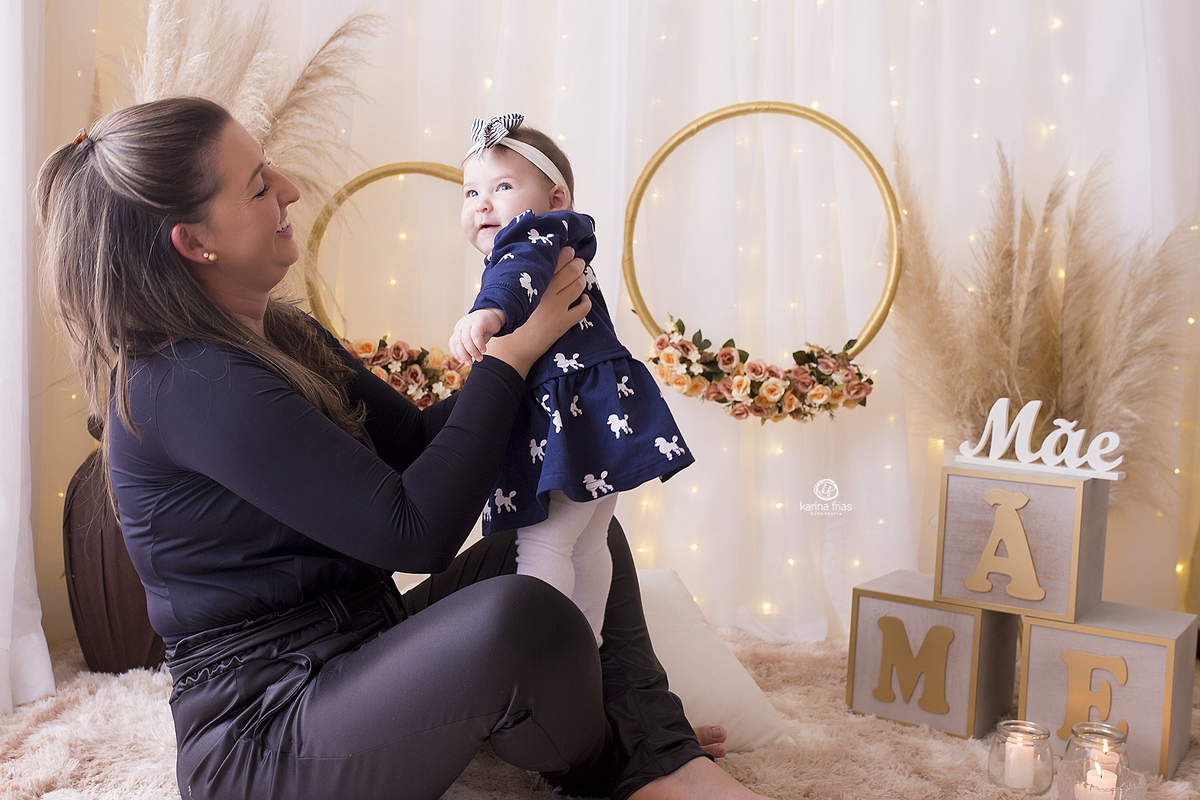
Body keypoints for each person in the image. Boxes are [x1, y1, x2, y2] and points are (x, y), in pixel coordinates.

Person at [36, 96, 772, 800]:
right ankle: (624, 762)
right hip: (265, 736)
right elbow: (415, 532)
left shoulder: (283, 334)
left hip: (363, 648)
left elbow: (420, 444)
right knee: (518, 613)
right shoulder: (186, 382)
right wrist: (510, 360)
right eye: (260, 185)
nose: (290, 189)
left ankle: (657, 754)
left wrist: (556, 362)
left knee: (578, 523)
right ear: (195, 242)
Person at [453, 114, 694, 645]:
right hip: (594, 409)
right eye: (471, 192)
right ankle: (585, 641)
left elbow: (518, 277)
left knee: (542, 544)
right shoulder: (551, 238)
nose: (482, 204)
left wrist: (487, 317)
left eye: (503, 186)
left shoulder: (534, 236)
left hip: (569, 412)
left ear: (556, 197)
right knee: (586, 543)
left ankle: (542, 648)